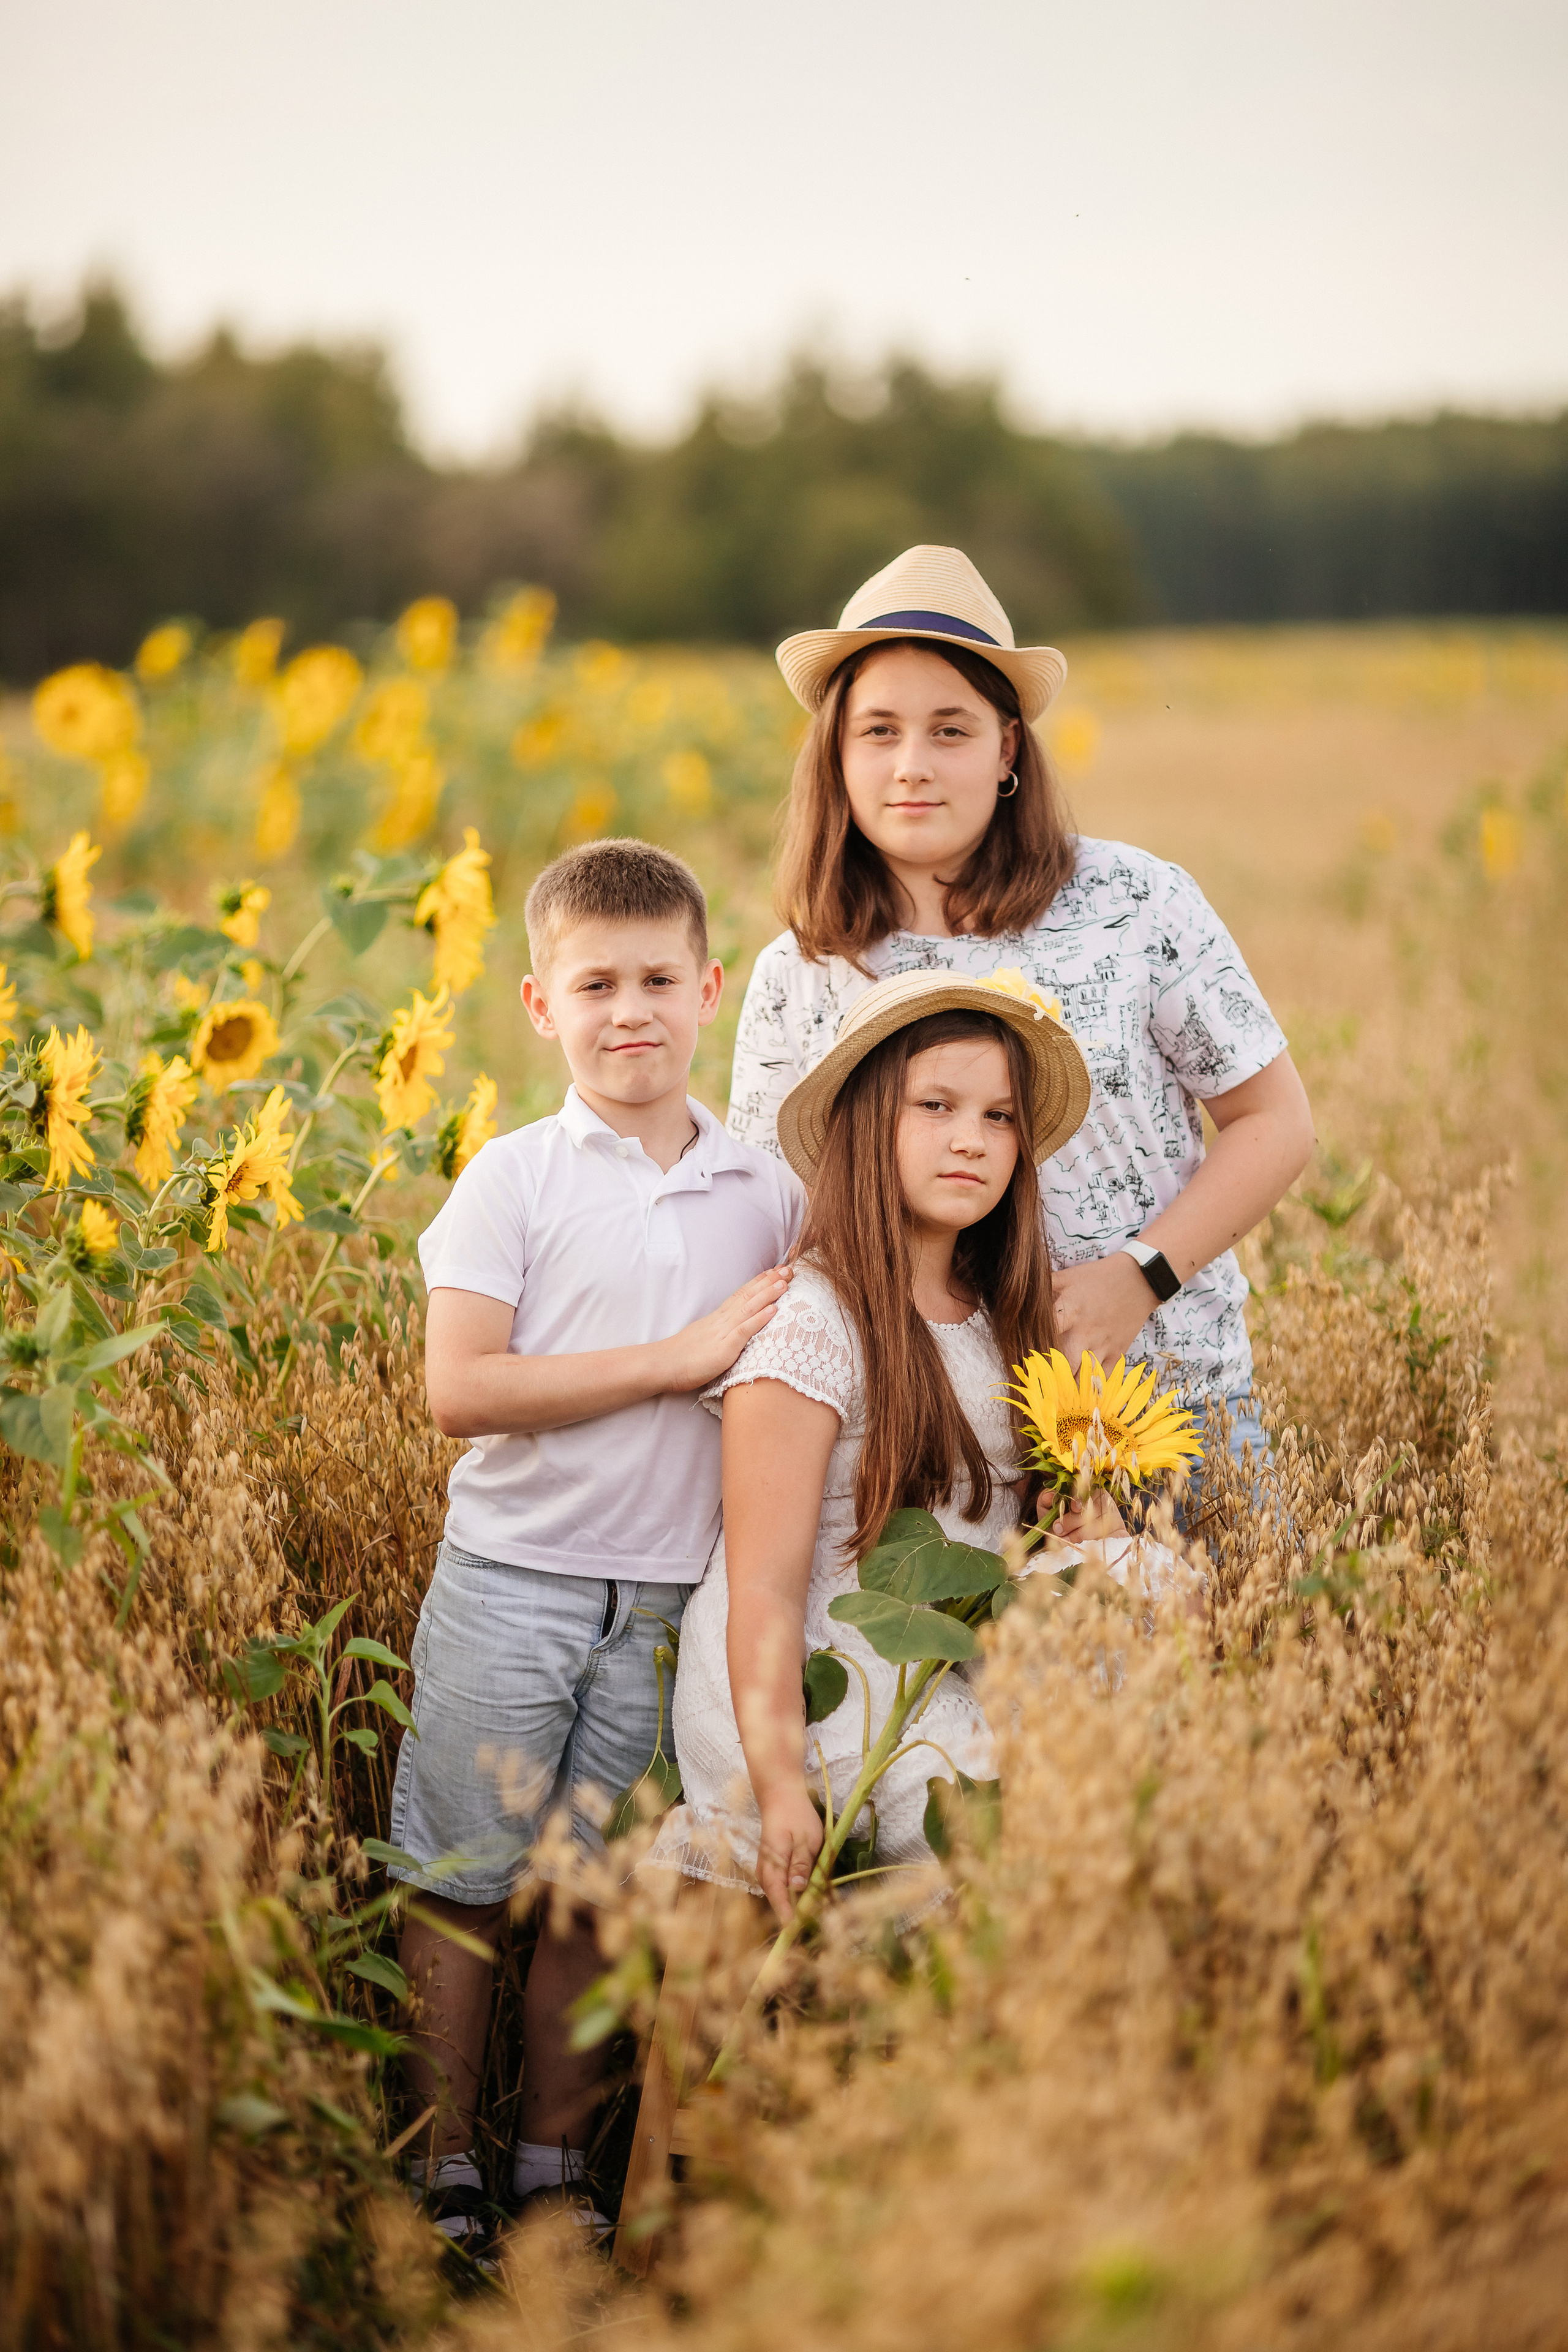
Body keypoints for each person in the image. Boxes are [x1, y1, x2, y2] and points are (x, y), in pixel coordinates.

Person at [388, 839, 802, 2248]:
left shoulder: (764, 1190)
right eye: (594, 984)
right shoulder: (511, 1179)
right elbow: (461, 1390)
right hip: (512, 1583)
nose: (629, 1012)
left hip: (668, 1599)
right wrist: (672, 1357)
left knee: (590, 1892)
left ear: (711, 989)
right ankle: (443, 2165)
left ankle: (551, 2168)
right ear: (536, 1002)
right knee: (461, 1884)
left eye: (656, 981)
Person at [727, 545, 1316, 1446]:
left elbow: (1275, 1121)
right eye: (878, 730)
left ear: (1007, 748)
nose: (911, 765)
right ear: (836, 753)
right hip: (935, 1446)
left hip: (1163, 1406)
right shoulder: (802, 969)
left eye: (950, 730)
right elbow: (779, 1222)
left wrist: (1139, 1277)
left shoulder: (1135, 902)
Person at [658, 970, 1188, 1924]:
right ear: (868, 1124)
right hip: (808, 1677)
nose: (971, 1141)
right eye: (936, 1106)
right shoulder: (813, 1321)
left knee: (1136, 1741)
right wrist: (779, 1782)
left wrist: (1077, 1522)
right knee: (718, 2029)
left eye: (999, 1118)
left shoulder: (1002, 1320)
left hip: (938, 1666)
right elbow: (766, 1585)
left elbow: (992, 1541)